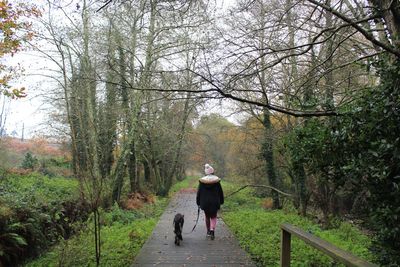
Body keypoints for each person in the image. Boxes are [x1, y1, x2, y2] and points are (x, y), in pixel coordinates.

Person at [196, 163, 224, 240]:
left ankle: (208, 231)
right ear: (213, 172)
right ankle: (212, 230)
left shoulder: (202, 182)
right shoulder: (217, 181)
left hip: (205, 203)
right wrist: (221, 201)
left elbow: (199, 193)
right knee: (214, 216)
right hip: (215, 202)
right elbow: (220, 192)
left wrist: (198, 202)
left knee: (207, 216)